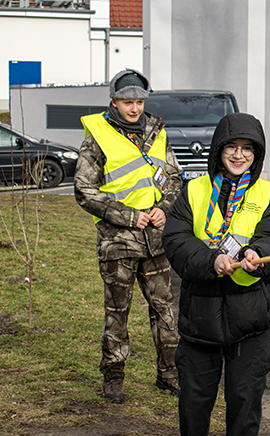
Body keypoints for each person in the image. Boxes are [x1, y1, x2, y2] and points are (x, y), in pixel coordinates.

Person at [160, 113, 270, 436]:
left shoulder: (269, 195)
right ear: (218, 152)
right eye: (232, 148)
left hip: (249, 321)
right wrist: (212, 260)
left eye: (247, 149)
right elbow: (176, 240)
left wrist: (259, 255)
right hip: (199, 318)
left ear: (257, 155)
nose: (238, 155)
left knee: (244, 407)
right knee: (193, 405)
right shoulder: (194, 191)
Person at [74, 68, 182, 404]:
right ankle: (114, 375)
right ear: (114, 101)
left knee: (165, 310)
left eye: (138, 101)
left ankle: (170, 374)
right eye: (126, 101)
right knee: (117, 311)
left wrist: (165, 206)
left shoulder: (157, 132)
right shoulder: (98, 135)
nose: (134, 108)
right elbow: (83, 189)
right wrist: (128, 216)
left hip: (156, 238)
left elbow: (174, 178)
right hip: (118, 241)